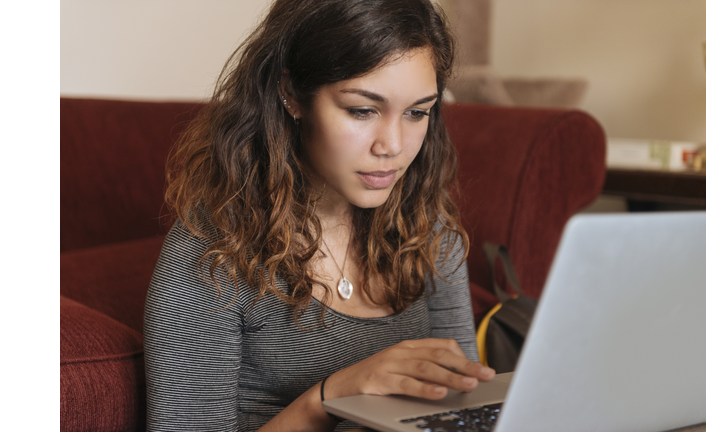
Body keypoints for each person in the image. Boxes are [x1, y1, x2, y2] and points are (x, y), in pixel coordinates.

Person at [143, 0, 495, 430]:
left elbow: (463, 405)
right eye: (363, 110)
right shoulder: (211, 253)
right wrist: (328, 399)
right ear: (291, 94)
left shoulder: (427, 225)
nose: (393, 145)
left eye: (417, 112)